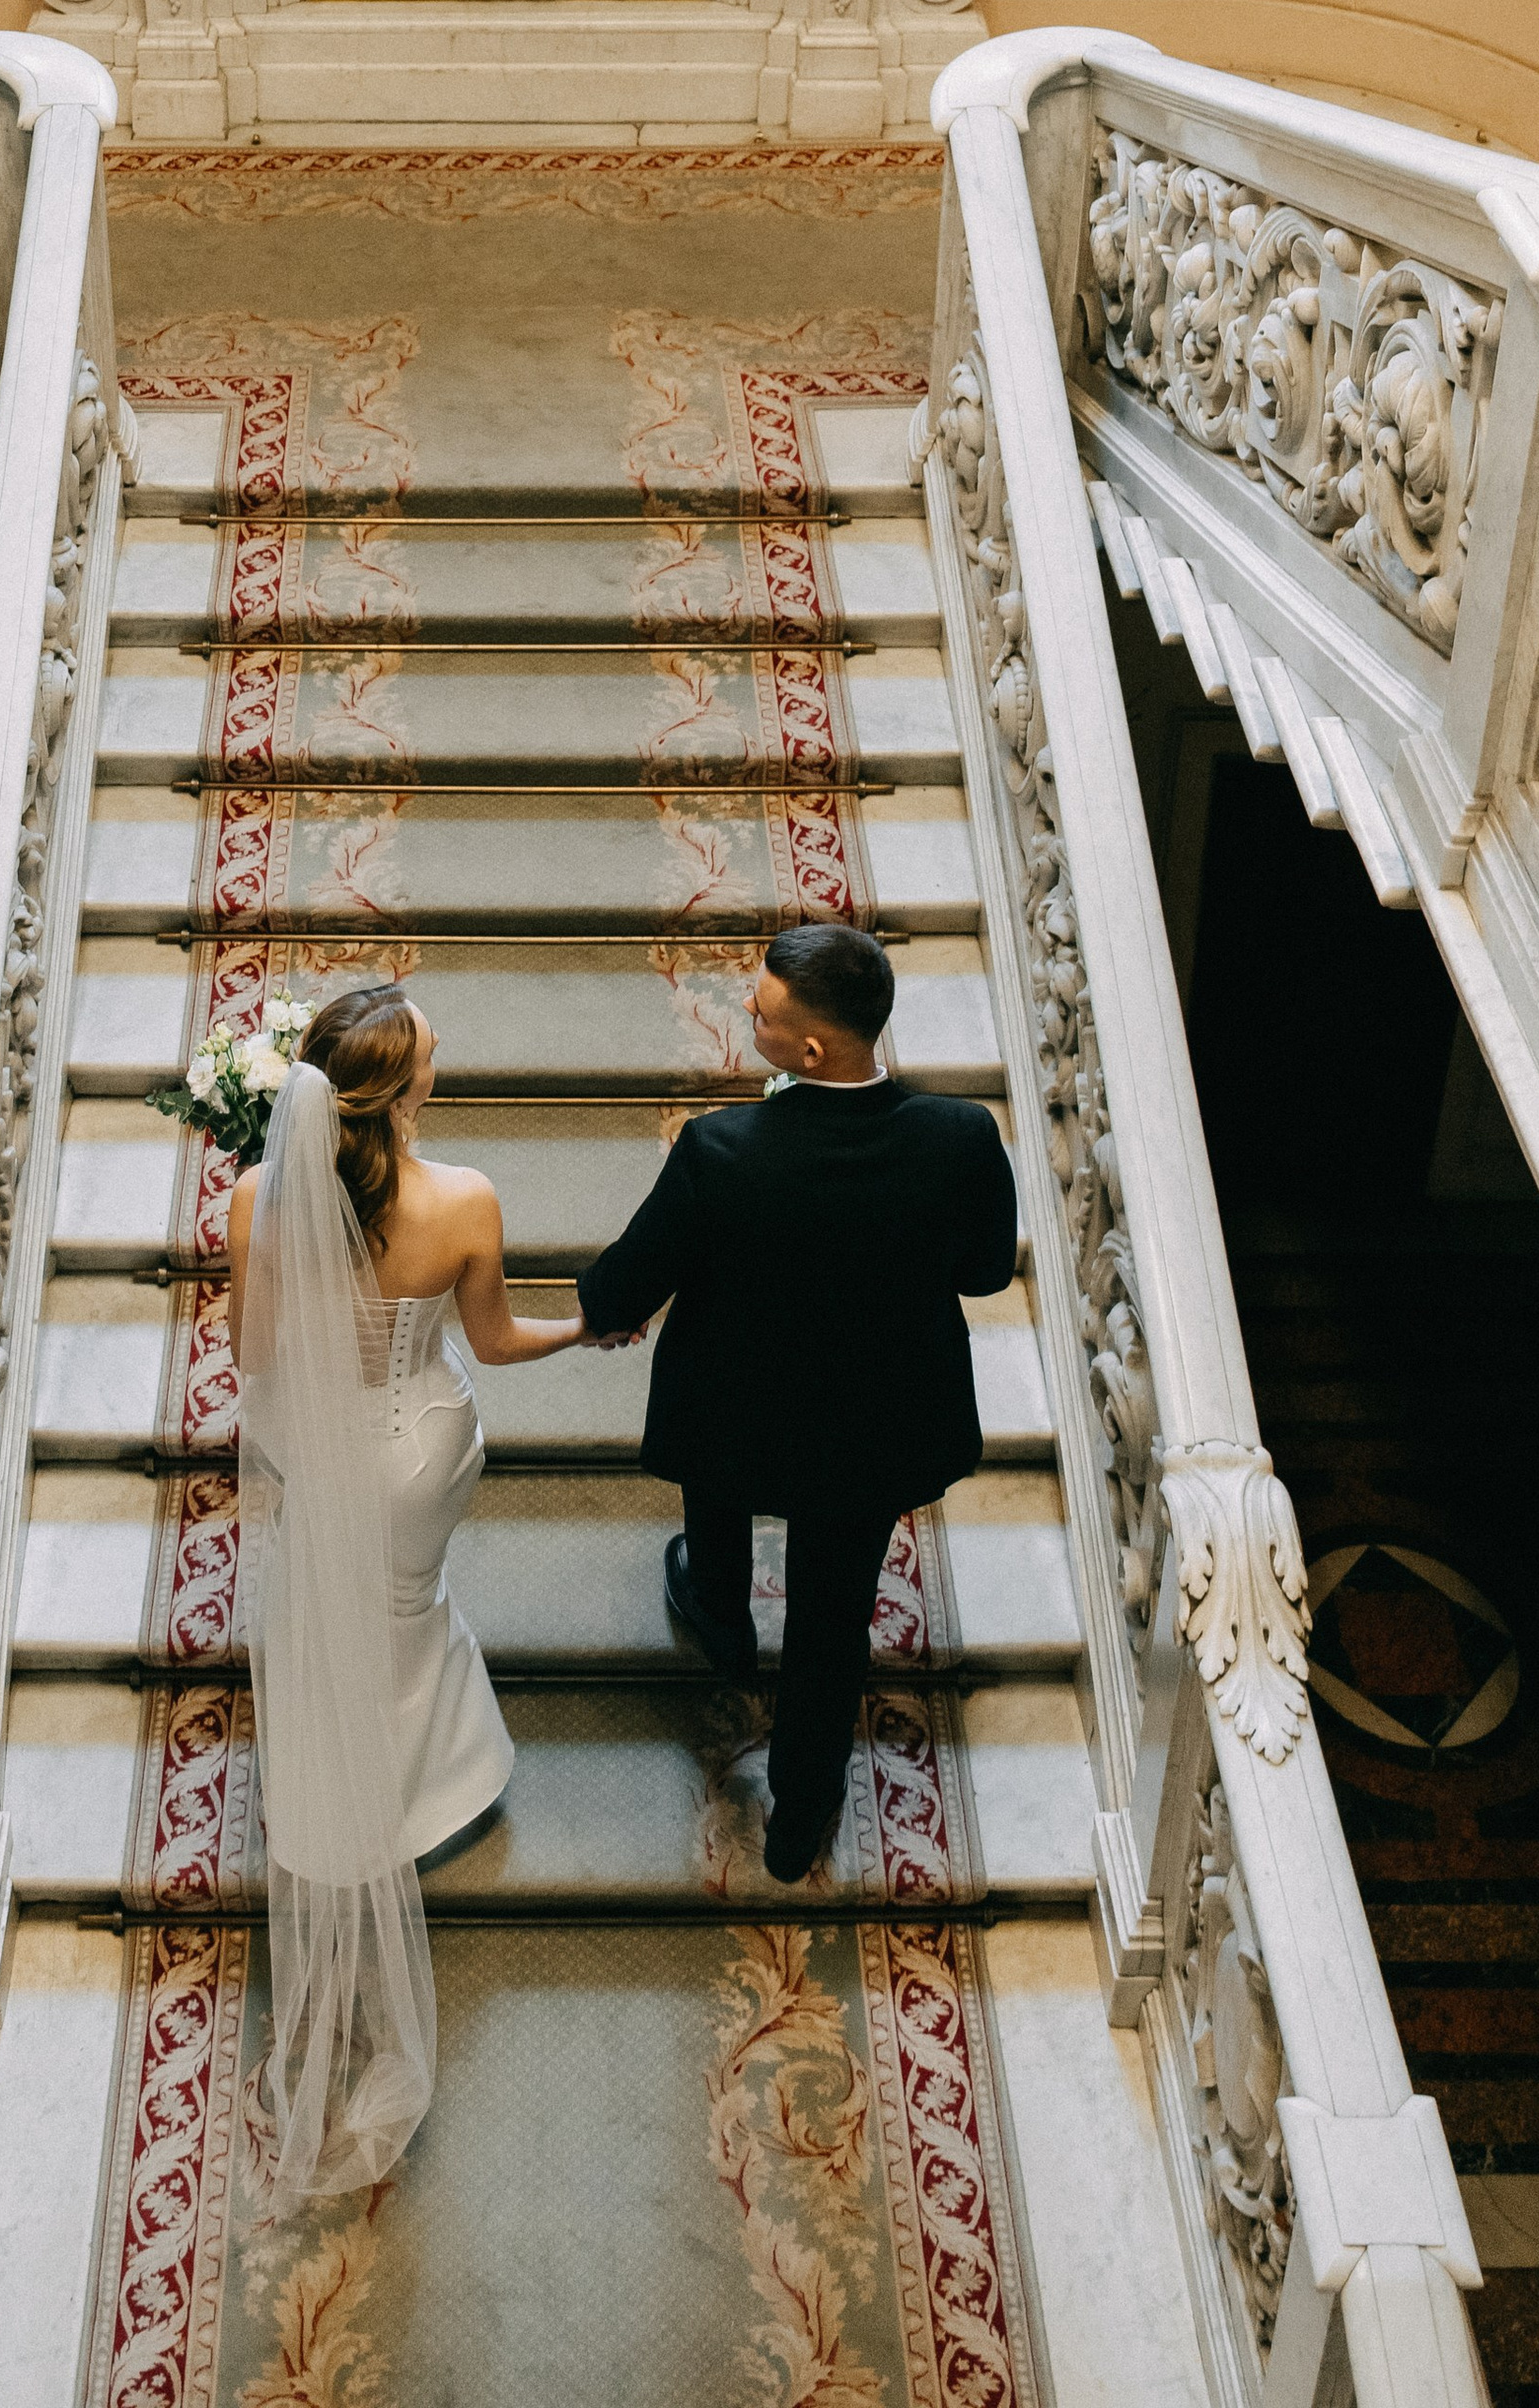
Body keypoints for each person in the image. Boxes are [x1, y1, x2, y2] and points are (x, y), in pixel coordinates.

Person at [225, 980, 587, 2213]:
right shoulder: (463, 1200)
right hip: (420, 1450)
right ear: (406, 1090)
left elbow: (260, 1359)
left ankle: (351, 1787)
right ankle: (433, 1782)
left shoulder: (252, 1200)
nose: (447, 1053)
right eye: (435, 1047)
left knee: (336, 1624)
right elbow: (489, 1343)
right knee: (410, 1615)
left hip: (324, 1450)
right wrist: (588, 1327)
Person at [577, 919, 1019, 1883]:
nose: (746, 1009)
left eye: (763, 1010)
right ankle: (799, 1817)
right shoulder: (962, 1136)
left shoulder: (721, 1150)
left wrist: (607, 1314)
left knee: (718, 1501)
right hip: (874, 1424)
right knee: (832, 1623)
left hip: (736, 1406)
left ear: (810, 1049)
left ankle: (721, 1617)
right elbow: (985, 1273)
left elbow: (618, 1293)